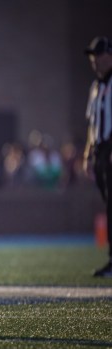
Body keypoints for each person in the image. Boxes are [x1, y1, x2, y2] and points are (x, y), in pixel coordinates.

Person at [82, 36, 112, 278]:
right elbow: (92, 124)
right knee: (108, 203)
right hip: (101, 151)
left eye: (98, 55)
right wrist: (87, 154)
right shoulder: (96, 87)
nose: (94, 61)